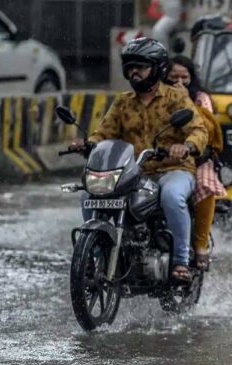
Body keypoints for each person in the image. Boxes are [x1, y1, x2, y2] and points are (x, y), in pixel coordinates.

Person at [70, 38, 208, 281]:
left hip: (173, 168)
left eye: (141, 67)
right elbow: (105, 132)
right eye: (130, 67)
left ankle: (180, 261)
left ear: (156, 69)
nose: (134, 72)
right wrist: (88, 143)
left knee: (171, 196)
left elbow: (199, 130)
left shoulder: (176, 98)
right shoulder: (123, 101)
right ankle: (96, 254)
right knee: (88, 194)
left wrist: (185, 146)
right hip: (134, 172)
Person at [167, 55, 225, 270]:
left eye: (185, 77)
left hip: (197, 157)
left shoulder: (201, 99)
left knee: (205, 184)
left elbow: (206, 130)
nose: (180, 82)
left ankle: (200, 245)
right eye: (174, 77)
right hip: (161, 157)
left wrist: (185, 101)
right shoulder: (157, 97)